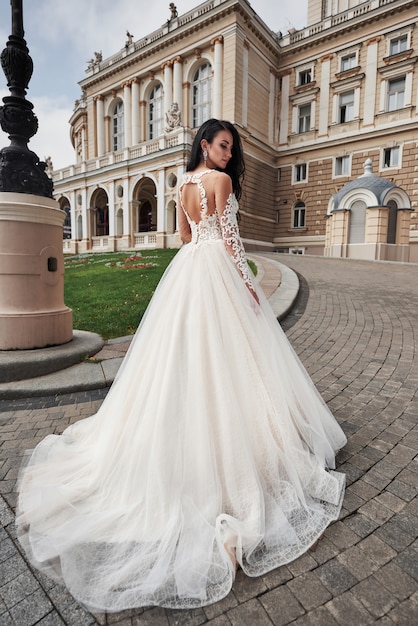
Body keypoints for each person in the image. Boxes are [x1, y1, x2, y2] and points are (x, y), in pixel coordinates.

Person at [16, 119, 346, 613]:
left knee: (181, 360)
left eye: (230, 148)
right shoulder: (221, 182)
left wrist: (204, 253)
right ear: (205, 145)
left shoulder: (183, 184)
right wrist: (248, 287)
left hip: (188, 271)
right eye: (223, 145)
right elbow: (231, 242)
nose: (227, 153)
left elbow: (185, 235)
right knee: (233, 359)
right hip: (216, 271)